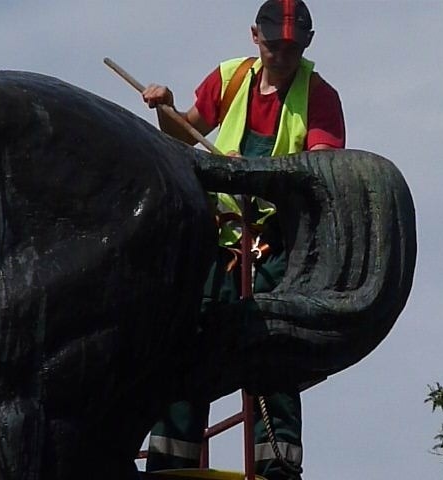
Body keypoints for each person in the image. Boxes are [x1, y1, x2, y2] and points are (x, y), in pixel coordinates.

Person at [140, 1, 345, 479]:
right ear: (255, 37)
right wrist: (165, 107)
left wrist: (249, 173)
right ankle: (172, 464)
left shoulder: (320, 97)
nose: (281, 55)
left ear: (307, 44)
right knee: (188, 344)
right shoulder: (230, 79)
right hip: (218, 246)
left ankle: (277, 468)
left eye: (291, 48)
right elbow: (185, 132)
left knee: (273, 357)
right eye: (274, 45)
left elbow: (319, 174)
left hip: (277, 249)